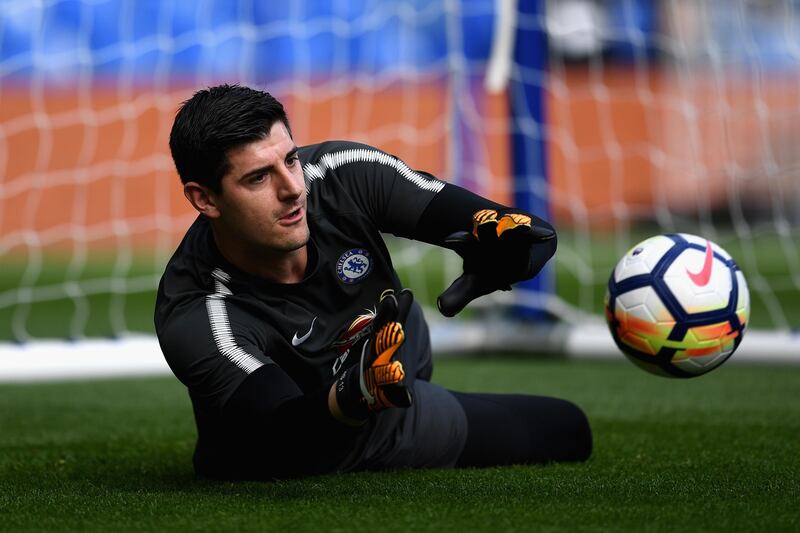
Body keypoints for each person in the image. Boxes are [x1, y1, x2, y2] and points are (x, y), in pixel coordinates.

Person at [156, 84, 591, 480]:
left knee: (566, 425)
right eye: (258, 177)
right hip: (308, 444)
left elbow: (529, 234)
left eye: (289, 159)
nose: (292, 188)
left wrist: (512, 255)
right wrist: (352, 396)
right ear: (204, 198)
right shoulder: (197, 309)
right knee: (567, 427)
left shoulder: (341, 174)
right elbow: (284, 431)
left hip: (391, 369)